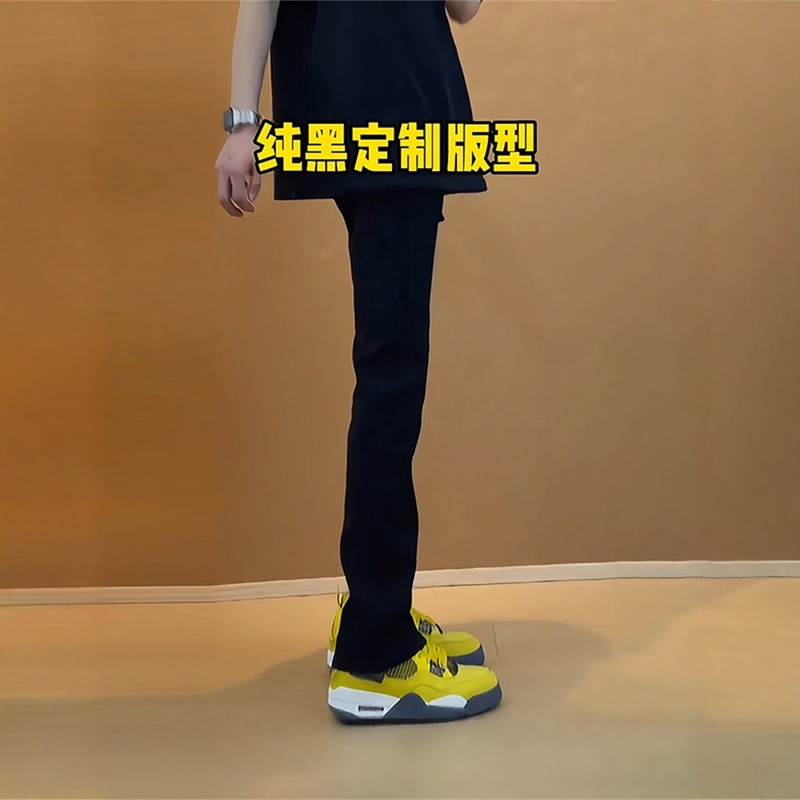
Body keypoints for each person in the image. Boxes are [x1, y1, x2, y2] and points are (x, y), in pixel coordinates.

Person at [214, 0, 502, 724]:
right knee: (392, 377)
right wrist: (241, 125)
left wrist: (245, 124)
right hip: (394, 117)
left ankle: (374, 611)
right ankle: (377, 653)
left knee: (388, 371)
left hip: (375, 113)